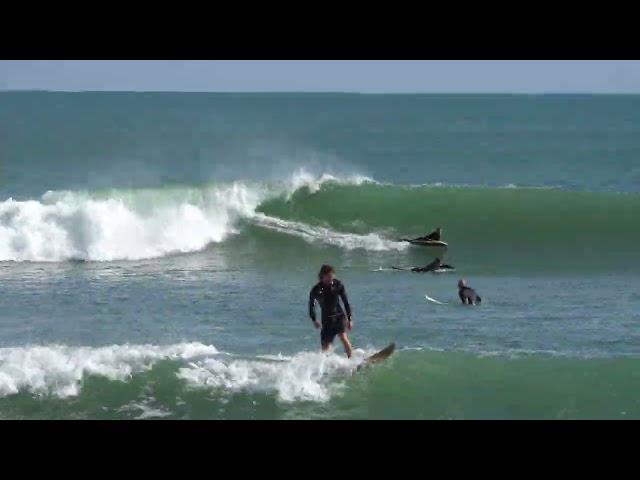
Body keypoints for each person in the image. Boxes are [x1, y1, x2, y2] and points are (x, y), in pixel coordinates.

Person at [308, 264, 353, 358]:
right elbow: (311, 305)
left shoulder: (338, 285)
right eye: (328, 277)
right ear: (322, 276)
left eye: (332, 277)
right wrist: (314, 319)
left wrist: (349, 318)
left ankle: (351, 359)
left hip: (339, 316)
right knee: (325, 347)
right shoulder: (316, 290)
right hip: (327, 319)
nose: (331, 280)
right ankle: (326, 365)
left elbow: (346, 302)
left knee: (343, 337)